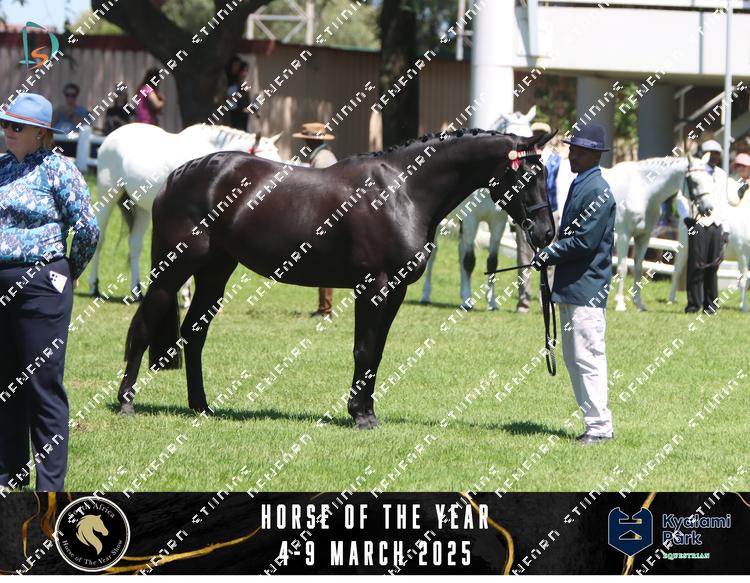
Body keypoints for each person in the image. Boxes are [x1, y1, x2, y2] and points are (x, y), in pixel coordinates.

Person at [0, 93, 99, 491]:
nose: (8, 131)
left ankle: (50, 487)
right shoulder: (1, 167)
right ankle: (9, 475)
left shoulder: (59, 169)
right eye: (5, 124)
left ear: (40, 133)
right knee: (6, 382)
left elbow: (87, 228)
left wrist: (69, 270)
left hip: (42, 284)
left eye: (16, 126)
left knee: (42, 384)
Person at [531, 123, 616, 446]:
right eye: (571, 149)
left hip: (586, 288)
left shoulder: (597, 190)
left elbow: (584, 241)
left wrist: (549, 254)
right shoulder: (582, 184)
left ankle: (600, 427)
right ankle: (593, 423)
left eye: (578, 151)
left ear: (594, 155)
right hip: (572, 286)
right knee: (574, 358)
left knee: (588, 358)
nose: (571, 155)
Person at [292, 122, 337, 318]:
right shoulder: (322, 155)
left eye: (306, 140)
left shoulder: (322, 158)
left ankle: (325, 310)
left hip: (325, 214)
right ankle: (323, 308)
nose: (305, 143)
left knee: (326, 261)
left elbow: (323, 188)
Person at [515, 121, 561, 313]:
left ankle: (547, 300)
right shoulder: (523, 160)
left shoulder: (556, 160)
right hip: (528, 214)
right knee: (524, 257)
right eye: (536, 133)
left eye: (542, 133)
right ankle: (524, 300)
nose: (539, 137)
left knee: (550, 258)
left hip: (551, 212)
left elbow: (561, 186)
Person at [680, 139, 725, 314]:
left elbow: (723, 202)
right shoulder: (693, 170)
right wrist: (686, 217)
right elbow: (681, 196)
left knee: (713, 265)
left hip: (716, 223)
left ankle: (711, 304)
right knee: (696, 264)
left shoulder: (721, 174)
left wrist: (725, 227)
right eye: (711, 153)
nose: (714, 157)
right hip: (697, 221)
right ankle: (693, 304)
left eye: (717, 153)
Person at [227, 60, 252, 131]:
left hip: (243, 113)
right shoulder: (232, 83)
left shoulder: (244, 83)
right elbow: (229, 98)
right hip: (234, 113)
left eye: (246, 71)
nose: (245, 73)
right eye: (243, 71)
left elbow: (246, 99)